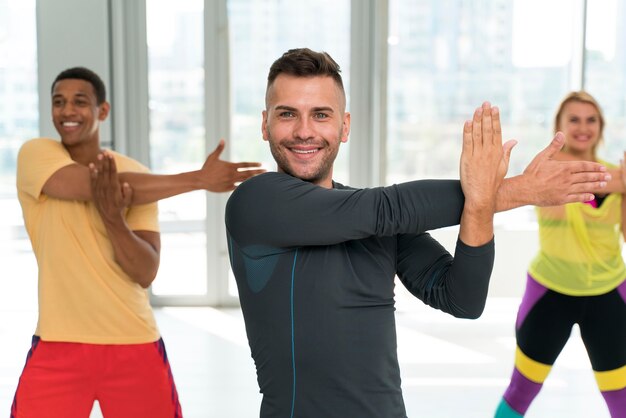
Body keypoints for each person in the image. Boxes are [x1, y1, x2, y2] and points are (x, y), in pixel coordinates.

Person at [225, 48, 611, 417]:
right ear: (265, 124)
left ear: (344, 127)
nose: (304, 131)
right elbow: (387, 208)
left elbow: (462, 298)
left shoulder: (375, 222)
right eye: (288, 114)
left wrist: (481, 204)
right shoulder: (256, 202)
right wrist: (516, 190)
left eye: (321, 115)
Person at [11, 67, 264, 418]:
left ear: (103, 111)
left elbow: (145, 272)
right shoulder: (37, 154)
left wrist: (114, 220)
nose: (67, 111)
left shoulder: (140, 176)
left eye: (79, 102)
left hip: (133, 340)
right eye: (59, 102)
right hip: (58, 342)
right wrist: (198, 179)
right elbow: (88, 185)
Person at [494, 91, 626, 418]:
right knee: (520, 393)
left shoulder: (617, 177)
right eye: (574, 119)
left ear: (601, 126)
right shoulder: (546, 172)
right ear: (560, 127)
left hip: (609, 294)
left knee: (622, 399)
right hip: (550, 295)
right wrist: (621, 181)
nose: (583, 127)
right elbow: (579, 178)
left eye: (591, 119)